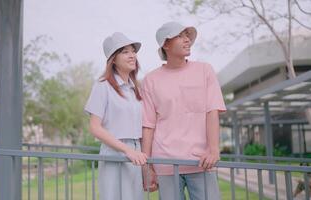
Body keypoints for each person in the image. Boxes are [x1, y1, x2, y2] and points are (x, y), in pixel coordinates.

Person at [141, 21, 226, 200]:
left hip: (201, 161)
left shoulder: (204, 70)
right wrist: (147, 166)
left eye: (188, 36)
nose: (187, 40)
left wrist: (214, 149)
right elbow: (148, 124)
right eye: (180, 36)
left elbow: (212, 111)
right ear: (166, 44)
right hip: (165, 162)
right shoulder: (150, 80)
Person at [85, 32, 147, 200]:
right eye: (125, 51)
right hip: (114, 154)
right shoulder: (102, 86)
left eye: (133, 51)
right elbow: (95, 127)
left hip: (136, 154)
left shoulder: (136, 90)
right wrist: (127, 150)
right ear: (113, 58)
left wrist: (142, 163)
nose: (132, 55)